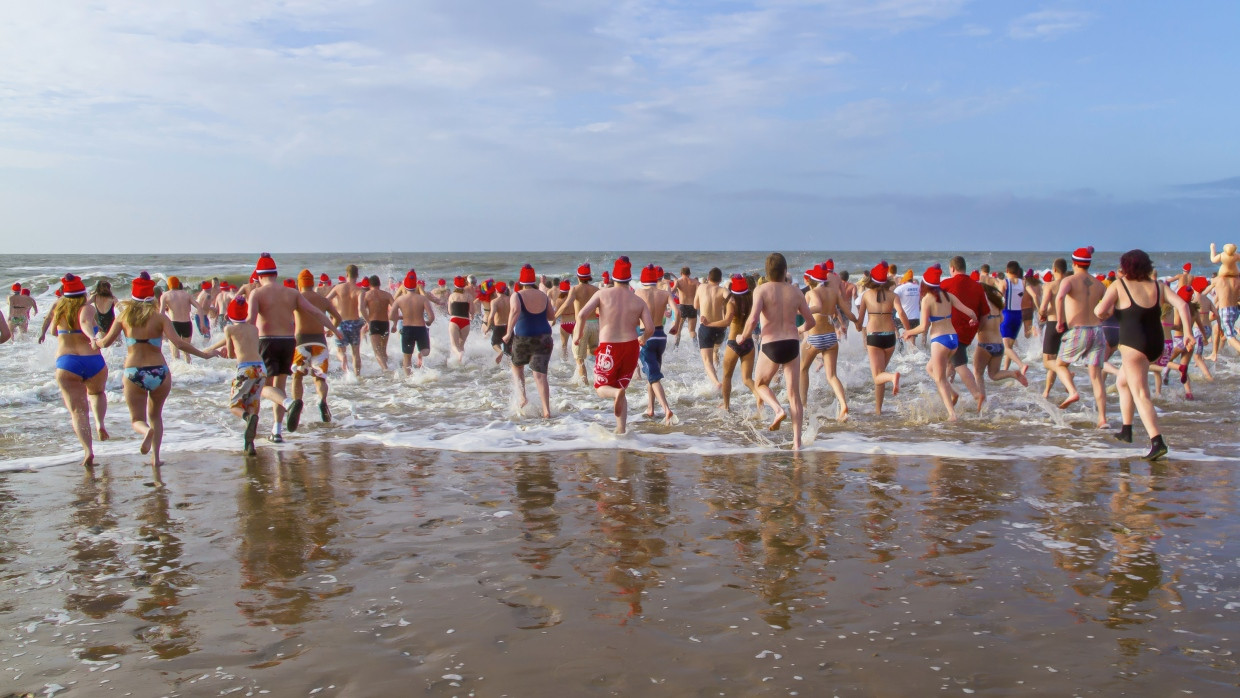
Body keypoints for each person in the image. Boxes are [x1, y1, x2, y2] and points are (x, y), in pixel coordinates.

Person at [97, 273, 216, 468]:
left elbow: (105, 342)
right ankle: (156, 458)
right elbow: (178, 343)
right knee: (156, 416)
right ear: (151, 297)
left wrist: (95, 342)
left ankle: (145, 432)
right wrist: (203, 355)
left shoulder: (123, 317)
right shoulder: (160, 318)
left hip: (134, 372)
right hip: (159, 371)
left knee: (137, 419)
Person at [1094, 249, 1195, 460]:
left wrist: (1109, 311)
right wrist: (1187, 333)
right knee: (1123, 382)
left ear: (1126, 267)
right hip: (1154, 344)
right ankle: (1127, 429)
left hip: (1133, 345)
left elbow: (1099, 311)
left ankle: (1157, 441)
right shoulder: (1159, 286)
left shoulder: (1119, 285)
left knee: (1141, 394)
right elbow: (1183, 305)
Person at [247, 254, 341, 443]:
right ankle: (277, 431)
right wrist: (334, 330)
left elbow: (249, 323)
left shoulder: (256, 293)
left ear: (258, 276)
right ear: (276, 274)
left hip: (267, 341)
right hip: (288, 342)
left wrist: (240, 344)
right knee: (279, 387)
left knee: (263, 387)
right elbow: (315, 311)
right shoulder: (291, 293)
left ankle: (290, 403)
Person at [737, 253, 815, 450]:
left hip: (771, 344)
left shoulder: (761, 290)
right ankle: (797, 444)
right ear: (785, 271)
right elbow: (811, 322)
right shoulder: (796, 292)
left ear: (767, 272)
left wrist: (743, 336)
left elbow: (753, 319)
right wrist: (799, 330)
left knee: (761, 383)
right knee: (794, 394)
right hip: (791, 344)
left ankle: (777, 409)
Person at [576, 257, 654, 434]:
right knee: (620, 387)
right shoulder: (638, 301)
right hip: (631, 347)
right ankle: (621, 430)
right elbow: (649, 328)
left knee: (601, 388)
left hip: (609, 347)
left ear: (614, 277)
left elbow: (581, 315)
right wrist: (644, 339)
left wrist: (578, 334)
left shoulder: (602, 294)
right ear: (629, 278)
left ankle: (615, 395)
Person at [42, 274, 108, 468]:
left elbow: (53, 332)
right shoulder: (87, 308)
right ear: (82, 293)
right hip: (93, 360)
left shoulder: (58, 306)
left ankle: (88, 450)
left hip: (67, 362)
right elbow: (91, 326)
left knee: (78, 411)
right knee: (97, 393)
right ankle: (99, 423)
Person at [901, 265, 978, 422]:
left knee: (939, 379)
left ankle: (952, 414)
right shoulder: (949, 296)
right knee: (930, 368)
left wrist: (908, 332)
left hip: (940, 341)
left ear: (926, 284)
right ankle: (954, 393)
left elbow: (923, 327)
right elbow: (970, 312)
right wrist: (973, 320)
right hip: (953, 339)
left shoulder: (926, 300)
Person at [1053, 247, 1109, 427]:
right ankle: (1102, 419)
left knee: (1060, 364)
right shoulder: (1099, 285)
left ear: (1074, 263)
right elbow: (1109, 310)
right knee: (1096, 377)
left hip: (1078, 331)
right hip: (1098, 332)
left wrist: (1060, 321)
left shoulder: (1069, 281)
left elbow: (1060, 298)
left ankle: (1072, 392)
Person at [202, 297, 265, 454]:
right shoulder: (253, 328)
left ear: (230, 315)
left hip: (245, 369)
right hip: (261, 369)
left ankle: (246, 418)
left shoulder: (229, 329)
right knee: (253, 405)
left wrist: (220, 353)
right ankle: (250, 444)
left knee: (235, 406)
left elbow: (231, 354)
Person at [853, 261, 907, 416]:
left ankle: (892, 377)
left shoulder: (866, 296)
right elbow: (901, 314)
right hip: (890, 337)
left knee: (878, 376)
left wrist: (855, 324)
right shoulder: (893, 295)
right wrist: (909, 330)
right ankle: (878, 410)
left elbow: (860, 321)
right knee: (880, 373)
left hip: (874, 337)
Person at [503, 265, 556, 418]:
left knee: (517, 366)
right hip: (545, 338)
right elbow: (551, 316)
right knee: (540, 375)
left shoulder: (517, 295)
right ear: (533, 280)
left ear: (521, 280)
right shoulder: (543, 295)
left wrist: (507, 333)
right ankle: (546, 410)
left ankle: (522, 398)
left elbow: (515, 312)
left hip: (523, 338)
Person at [291, 269, 343, 421]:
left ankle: (297, 403)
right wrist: (330, 330)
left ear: (299, 284)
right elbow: (337, 318)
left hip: (302, 342)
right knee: (319, 378)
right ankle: (322, 401)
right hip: (320, 342)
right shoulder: (323, 300)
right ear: (312, 283)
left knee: (297, 376)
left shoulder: (297, 299)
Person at [939, 257, 987, 410]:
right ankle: (948, 392)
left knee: (959, 364)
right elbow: (985, 313)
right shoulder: (978, 287)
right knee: (949, 364)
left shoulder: (945, 284)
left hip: (952, 331)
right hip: (969, 332)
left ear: (952, 268)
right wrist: (980, 329)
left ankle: (976, 394)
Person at [633, 264, 676, 424]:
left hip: (647, 336)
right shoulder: (664, 293)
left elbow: (633, 313)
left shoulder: (638, 292)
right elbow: (676, 311)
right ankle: (650, 408)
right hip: (661, 337)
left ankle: (666, 409)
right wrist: (676, 325)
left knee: (653, 376)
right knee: (652, 374)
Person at [974, 286, 1031, 393]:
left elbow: (980, 326)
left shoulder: (981, 306)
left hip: (985, 345)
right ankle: (1013, 374)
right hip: (999, 345)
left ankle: (981, 399)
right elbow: (1002, 320)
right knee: (994, 374)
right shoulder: (997, 305)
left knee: (978, 373)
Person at [720, 275, 759, 413]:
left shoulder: (732, 303)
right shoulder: (751, 301)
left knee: (726, 376)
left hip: (733, 343)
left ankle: (726, 405)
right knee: (747, 379)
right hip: (748, 341)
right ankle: (759, 396)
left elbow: (726, 322)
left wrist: (708, 323)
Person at [558, 264, 600, 383]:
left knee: (579, 359)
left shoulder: (575, 289)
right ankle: (602, 373)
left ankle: (585, 385)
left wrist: (554, 317)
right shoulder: (596, 289)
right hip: (595, 324)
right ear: (589, 277)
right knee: (593, 350)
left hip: (582, 325)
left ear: (578, 277)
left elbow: (566, 304)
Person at [390, 269, 436, 373]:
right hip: (421, 329)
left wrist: (401, 318)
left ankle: (408, 379)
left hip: (407, 329)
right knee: (426, 351)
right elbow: (431, 317)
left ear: (404, 286)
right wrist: (428, 322)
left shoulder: (399, 300)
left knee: (407, 357)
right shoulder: (423, 299)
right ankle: (421, 353)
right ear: (416, 285)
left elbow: (391, 315)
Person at [1037, 260, 1070, 399]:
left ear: (1054, 269)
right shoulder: (1071, 284)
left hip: (1052, 324)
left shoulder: (1050, 285)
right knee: (1058, 359)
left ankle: (1063, 377)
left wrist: (1041, 314)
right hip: (1068, 325)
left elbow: (1043, 307)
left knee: (1048, 361)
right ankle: (1047, 392)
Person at [694, 268, 730, 391]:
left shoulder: (701, 287)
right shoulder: (723, 290)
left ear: (708, 278)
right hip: (720, 328)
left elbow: (695, 306)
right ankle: (718, 368)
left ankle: (716, 382)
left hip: (706, 327)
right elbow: (731, 299)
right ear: (720, 279)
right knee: (715, 350)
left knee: (706, 360)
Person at [326, 265, 366, 376]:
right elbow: (361, 309)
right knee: (355, 353)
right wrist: (368, 321)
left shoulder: (338, 288)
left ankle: (343, 360)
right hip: (354, 323)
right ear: (357, 275)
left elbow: (325, 301)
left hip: (340, 323)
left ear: (346, 275)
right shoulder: (360, 291)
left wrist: (332, 315)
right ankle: (357, 376)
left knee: (340, 351)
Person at [158, 276, 202, 363]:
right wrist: (202, 324)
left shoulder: (165, 295)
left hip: (175, 325)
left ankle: (178, 374)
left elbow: (161, 313)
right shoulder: (186, 294)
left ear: (169, 285)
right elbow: (199, 307)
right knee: (187, 352)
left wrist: (161, 328)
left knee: (175, 354)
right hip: (187, 324)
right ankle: (190, 370)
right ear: (178, 284)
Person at [996, 261, 1028, 374]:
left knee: (1006, 347)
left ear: (1007, 270)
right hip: (1018, 316)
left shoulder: (1005, 282)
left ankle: (1021, 365)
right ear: (1018, 271)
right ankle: (1005, 370)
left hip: (1007, 315)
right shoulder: (1023, 283)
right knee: (1010, 346)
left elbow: (998, 299)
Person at [361, 274, 394, 372]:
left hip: (374, 323)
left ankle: (385, 369)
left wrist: (368, 321)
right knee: (383, 350)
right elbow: (395, 307)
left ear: (369, 285)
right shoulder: (387, 295)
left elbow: (361, 309)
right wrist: (395, 321)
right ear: (379, 284)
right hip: (385, 324)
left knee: (377, 351)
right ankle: (386, 367)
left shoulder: (367, 295)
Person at [445, 276, 476, 365]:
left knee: (454, 345)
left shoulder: (452, 296)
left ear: (455, 285)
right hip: (465, 322)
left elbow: (450, 311)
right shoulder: (468, 296)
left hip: (454, 321)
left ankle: (459, 355)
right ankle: (462, 363)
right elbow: (472, 311)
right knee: (461, 345)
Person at [892, 269, 921, 347]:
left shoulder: (900, 288)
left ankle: (900, 350)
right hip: (915, 317)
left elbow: (893, 300)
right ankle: (913, 357)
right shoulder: (919, 288)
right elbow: (921, 302)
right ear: (912, 279)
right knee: (912, 342)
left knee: (898, 336)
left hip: (900, 317)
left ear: (905, 279)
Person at [672, 267, 700, 346]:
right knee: (692, 331)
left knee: (678, 329)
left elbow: (672, 291)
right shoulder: (695, 282)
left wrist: (674, 285)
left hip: (682, 307)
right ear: (689, 274)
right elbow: (702, 289)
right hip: (692, 306)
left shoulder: (678, 281)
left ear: (681, 273)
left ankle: (676, 348)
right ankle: (696, 347)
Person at [485, 281, 509, 365]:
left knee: (494, 343)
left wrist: (488, 327)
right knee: (508, 349)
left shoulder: (495, 301)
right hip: (508, 327)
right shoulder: (510, 299)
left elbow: (491, 316)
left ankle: (499, 352)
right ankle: (509, 367)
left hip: (498, 326)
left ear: (496, 290)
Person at [554, 279, 575, 359]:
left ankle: (565, 360)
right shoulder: (573, 298)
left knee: (564, 345)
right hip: (574, 323)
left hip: (564, 324)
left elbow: (556, 312)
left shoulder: (559, 300)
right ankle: (575, 360)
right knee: (575, 344)